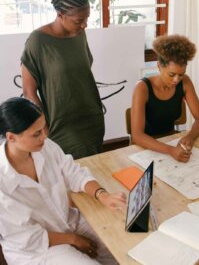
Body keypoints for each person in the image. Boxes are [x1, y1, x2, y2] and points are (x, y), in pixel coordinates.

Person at [0, 97, 126, 265]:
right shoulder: (3, 182)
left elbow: (73, 172)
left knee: (120, 246)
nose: (44, 136)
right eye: (36, 133)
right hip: (36, 250)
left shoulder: (45, 146)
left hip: (67, 221)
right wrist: (73, 239)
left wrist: (102, 195)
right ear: (11, 137)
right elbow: (27, 238)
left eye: (44, 128)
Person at [21, 0, 104, 159]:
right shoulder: (38, 41)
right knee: (71, 175)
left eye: (86, 19)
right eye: (78, 21)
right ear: (60, 15)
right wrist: (43, 127)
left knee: (95, 168)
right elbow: (29, 92)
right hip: (62, 124)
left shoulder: (79, 33)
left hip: (91, 116)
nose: (84, 25)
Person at [131, 34, 199, 163]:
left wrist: (190, 137)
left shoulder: (185, 82)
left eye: (181, 75)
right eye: (172, 74)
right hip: (146, 147)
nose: (176, 80)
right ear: (159, 66)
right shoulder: (142, 88)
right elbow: (137, 136)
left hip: (171, 140)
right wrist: (171, 150)